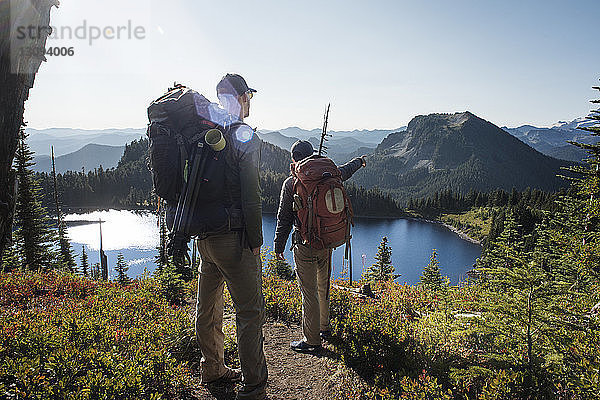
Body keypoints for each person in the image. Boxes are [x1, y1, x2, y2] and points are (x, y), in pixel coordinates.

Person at [194, 73, 268, 400]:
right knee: (249, 312)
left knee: (207, 308)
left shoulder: (206, 133)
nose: (250, 101)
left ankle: (212, 368)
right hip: (234, 239)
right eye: (249, 95)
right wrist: (256, 240)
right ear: (241, 98)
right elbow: (251, 197)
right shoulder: (243, 135)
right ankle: (253, 387)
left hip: (204, 239)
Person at [273, 140, 366, 352]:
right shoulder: (329, 174)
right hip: (326, 242)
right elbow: (346, 170)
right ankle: (324, 327)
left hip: (304, 243)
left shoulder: (291, 183)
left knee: (309, 292)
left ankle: (311, 340)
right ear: (312, 155)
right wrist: (359, 161)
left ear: (294, 159)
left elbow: (284, 218)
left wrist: (279, 246)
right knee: (323, 286)